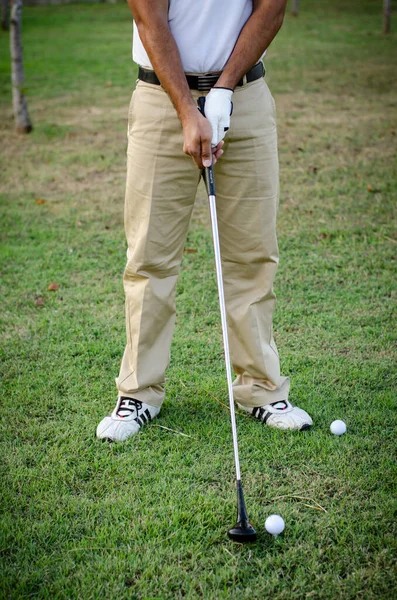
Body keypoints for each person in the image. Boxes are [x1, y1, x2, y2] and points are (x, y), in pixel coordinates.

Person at [96, 0, 313, 442]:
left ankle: (261, 390)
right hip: (161, 98)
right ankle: (138, 393)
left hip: (245, 97)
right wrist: (186, 109)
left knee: (252, 255)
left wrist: (223, 89)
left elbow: (271, 9)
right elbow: (147, 17)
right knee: (149, 256)